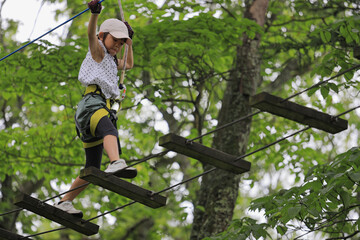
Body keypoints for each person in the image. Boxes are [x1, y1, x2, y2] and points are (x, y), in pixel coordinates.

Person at [54, 0, 137, 217]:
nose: (117, 46)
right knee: (110, 130)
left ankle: (64, 202)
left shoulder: (112, 59)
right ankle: (116, 161)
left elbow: (128, 65)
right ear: (103, 36)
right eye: (115, 41)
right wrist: (94, 15)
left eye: (120, 43)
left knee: (92, 167)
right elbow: (91, 35)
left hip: (99, 109)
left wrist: (129, 42)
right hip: (92, 105)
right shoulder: (98, 51)